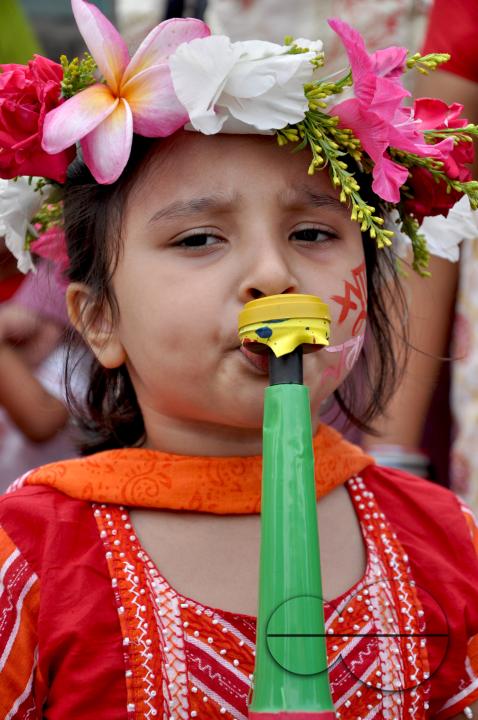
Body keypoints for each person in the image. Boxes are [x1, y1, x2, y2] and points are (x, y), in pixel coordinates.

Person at [0, 2, 477, 718]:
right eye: (198, 239)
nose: (273, 274)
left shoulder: (450, 539)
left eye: (314, 232)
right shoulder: (26, 555)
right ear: (99, 321)